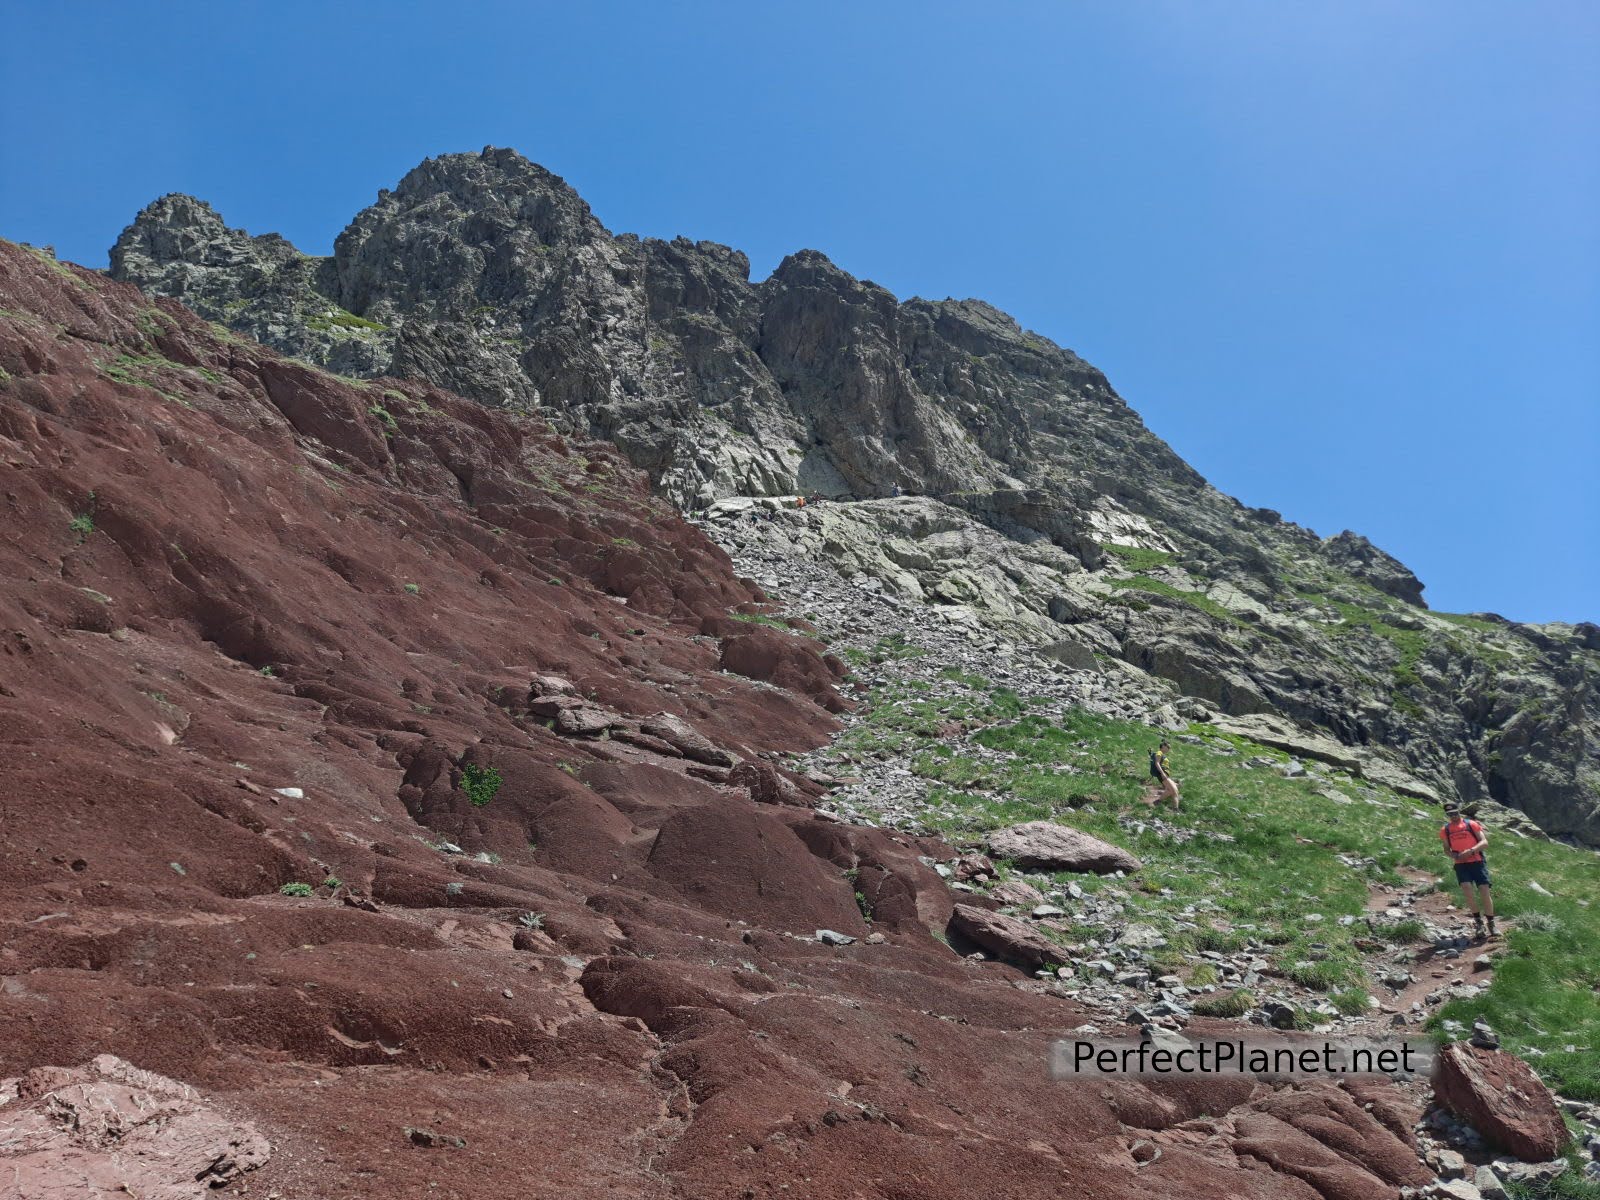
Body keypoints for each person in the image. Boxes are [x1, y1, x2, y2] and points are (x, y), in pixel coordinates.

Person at [1440, 805, 1495, 940]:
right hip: (1461, 864)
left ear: (1459, 812)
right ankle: (1478, 923)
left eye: (1455, 813)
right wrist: (1455, 856)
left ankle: (1491, 924)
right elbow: (1446, 849)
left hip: (1477, 861)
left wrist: (1470, 851)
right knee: (1467, 891)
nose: (1453, 816)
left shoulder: (1471, 824)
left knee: (1484, 890)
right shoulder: (1445, 830)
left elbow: (1484, 842)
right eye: (1450, 814)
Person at [1147, 740, 1180, 811]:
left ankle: (1157, 802)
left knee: (1172, 790)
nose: (1169, 749)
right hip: (1163, 775)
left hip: (1165, 775)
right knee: (1174, 791)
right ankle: (1175, 810)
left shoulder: (1162, 754)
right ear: (1163, 746)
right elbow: (1157, 763)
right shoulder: (1159, 752)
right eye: (1168, 747)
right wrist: (1162, 773)